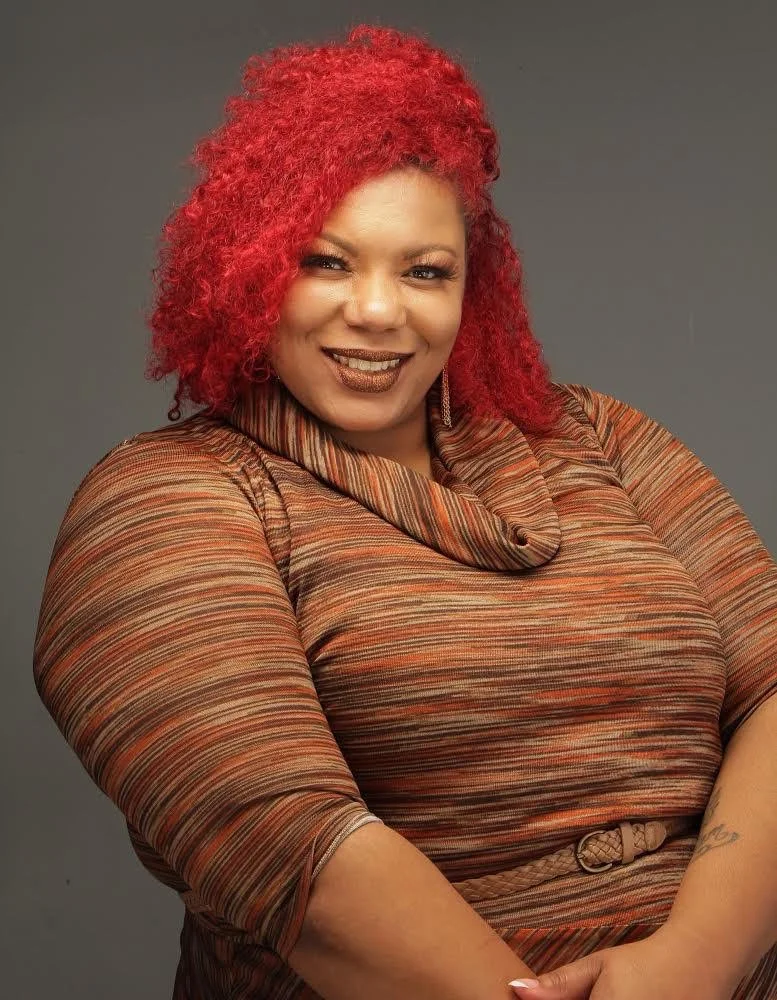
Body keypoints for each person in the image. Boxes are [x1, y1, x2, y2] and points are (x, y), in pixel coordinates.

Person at [33, 23, 777, 1000]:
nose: (381, 311)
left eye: (424, 270)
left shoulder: (600, 438)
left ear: (476, 285)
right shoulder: (164, 500)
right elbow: (285, 840)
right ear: (247, 271)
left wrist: (699, 965)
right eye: (328, 263)